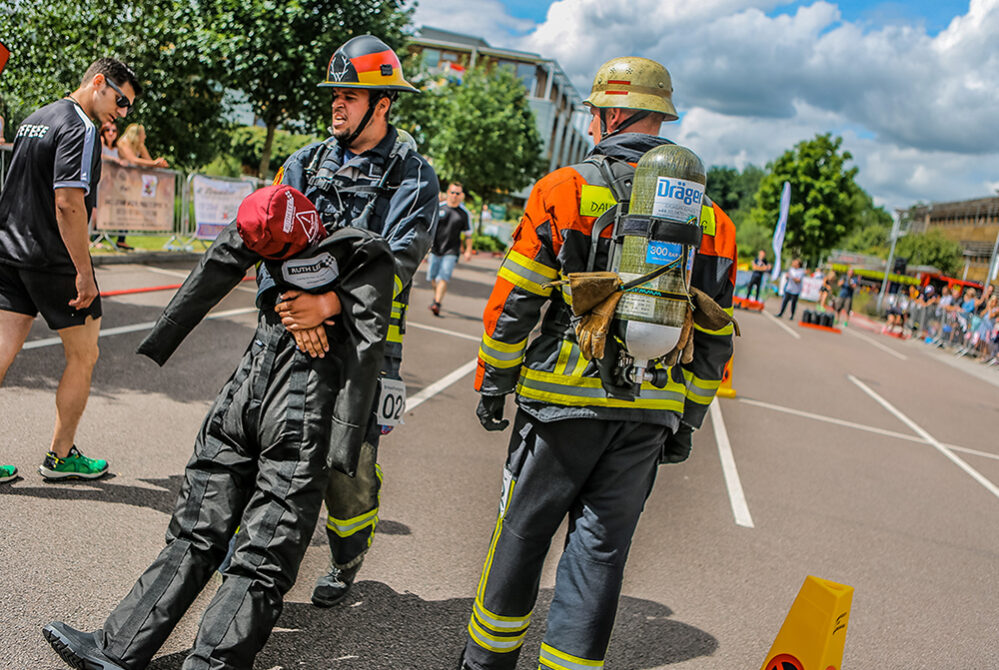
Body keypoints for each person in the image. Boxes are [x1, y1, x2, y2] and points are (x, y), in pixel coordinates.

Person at [43, 184, 397, 670]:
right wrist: (327, 302)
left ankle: (120, 649)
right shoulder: (360, 248)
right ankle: (133, 653)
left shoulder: (298, 226)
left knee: (209, 536)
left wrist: (325, 303)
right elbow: (371, 322)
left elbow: (225, 256)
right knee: (254, 549)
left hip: (254, 392)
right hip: (294, 406)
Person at [459, 56, 736, 670]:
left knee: (521, 538)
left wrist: (493, 380)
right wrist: (687, 422)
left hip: (562, 402)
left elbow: (517, 299)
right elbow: (716, 336)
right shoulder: (712, 220)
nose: (590, 124)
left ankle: (484, 664)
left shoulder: (564, 189)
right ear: (658, 119)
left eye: (594, 113)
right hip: (650, 412)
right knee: (600, 557)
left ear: (612, 115)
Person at [258, 35, 438, 608]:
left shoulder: (414, 177)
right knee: (271, 442)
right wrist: (293, 309)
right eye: (334, 94)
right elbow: (267, 242)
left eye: (350, 95)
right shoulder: (303, 163)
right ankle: (252, 560)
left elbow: (399, 262)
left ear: (383, 103)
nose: (337, 103)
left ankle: (345, 557)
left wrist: (328, 307)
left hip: (365, 348)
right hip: (294, 332)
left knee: (349, 467)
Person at [0, 57, 139, 481]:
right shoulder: (80, 126)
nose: (122, 112)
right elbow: (68, 202)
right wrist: (84, 272)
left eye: (129, 107)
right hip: (53, 258)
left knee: (1, 352)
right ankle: (61, 457)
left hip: (8, 251)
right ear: (99, 82)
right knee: (84, 354)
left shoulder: (35, 118)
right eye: (121, 100)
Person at [427, 181, 473, 316]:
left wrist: (468, 251)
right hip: (435, 248)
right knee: (432, 277)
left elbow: (468, 235)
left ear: (461, 195)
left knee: (444, 276)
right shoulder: (439, 208)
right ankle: (436, 297)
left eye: (457, 193)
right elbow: (430, 227)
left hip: (451, 250)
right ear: (448, 193)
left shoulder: (464, 214)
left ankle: (437, 303)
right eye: (452, 192)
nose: (454, 195)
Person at [98, 121, 131, 250]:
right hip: (102, 183)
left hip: (115, 184)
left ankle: (121, 239)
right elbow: (99, 154)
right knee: (97, 211)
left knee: (123, 207)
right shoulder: (100, 141)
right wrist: (115, 160)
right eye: (108, 130)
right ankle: (95, 238)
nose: (111, 133)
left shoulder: (118, 147)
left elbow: (128, 159)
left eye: (114, 130)